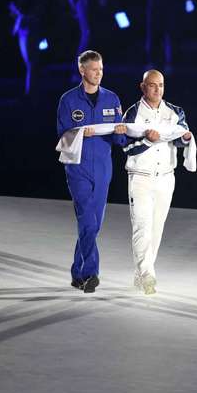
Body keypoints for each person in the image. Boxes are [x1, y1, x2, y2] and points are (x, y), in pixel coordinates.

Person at [56, 50, 127, 293]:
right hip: (78, 167)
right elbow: (62, 135)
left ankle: (77, 272)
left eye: (101, 69)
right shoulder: (68, 100)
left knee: (94, 224)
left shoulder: (112, 99)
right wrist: (78, 133)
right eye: (94, 69)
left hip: (103, 168)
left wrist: (121, 133)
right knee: (86, 218)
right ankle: (90, 273)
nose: (99, 73)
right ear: (82, 70)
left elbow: (121, 141)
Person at [121, 69, 192, 294]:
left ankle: (140, 273)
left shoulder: (175, 111)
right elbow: (125, 146)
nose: (157, 89)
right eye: (152, 85)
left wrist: (186, 138)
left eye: (160, 85)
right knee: (142, 227)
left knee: (156, 229)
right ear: (142, 87)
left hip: (166, 178)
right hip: (140, 177)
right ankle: (148, 275)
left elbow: (179, 137)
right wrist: (148, 141)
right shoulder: (132, 113)